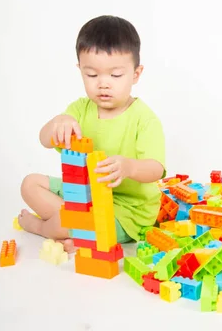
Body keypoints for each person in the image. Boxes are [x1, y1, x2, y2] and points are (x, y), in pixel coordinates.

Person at [17, 15, 166, 252]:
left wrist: (129, 167)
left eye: (115, 75)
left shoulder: (144, 119)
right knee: (30, 184)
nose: (103, 84)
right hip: (84, 193)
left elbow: (156, 169)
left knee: (85, 221)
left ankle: (44, 228)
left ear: (136, 74)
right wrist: (58, 122)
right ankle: (69, 226)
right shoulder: (79, 109)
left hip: (126, 211)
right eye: (92, 75)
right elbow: (44, 139)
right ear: (80, 70)